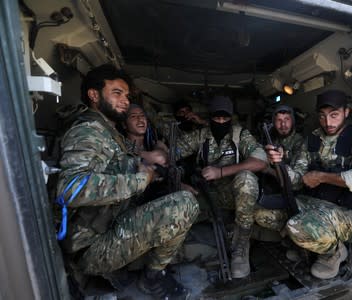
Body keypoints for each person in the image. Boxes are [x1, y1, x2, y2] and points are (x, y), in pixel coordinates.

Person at [56, 64, 199, 299]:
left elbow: (119, 164)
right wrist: (141, 180)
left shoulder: (108, 132)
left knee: (175, 196)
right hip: (91, 247)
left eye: (126, 95)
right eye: (117, 93)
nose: (124, 100)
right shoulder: (88, 131)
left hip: (111, 223)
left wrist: (145, 168)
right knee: (185, 205)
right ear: (94, 95)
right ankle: (152, 277)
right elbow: (70, 189)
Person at [264, 90, 352, 279]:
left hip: (341, 212)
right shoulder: (313, 139)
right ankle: (304, 244)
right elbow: (297, 179)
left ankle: (334, 252)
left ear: (346, 113)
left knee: (296, 226)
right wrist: (279, 164)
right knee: (264, 213)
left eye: (334, 115)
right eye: (322, 117)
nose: (328, 123)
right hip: (310, 202)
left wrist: (323, 177)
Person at [175, 95, 267, 279]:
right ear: (210, 118)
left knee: (246, 179)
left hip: (235, 195)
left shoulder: (240, 135)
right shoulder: (201, 136)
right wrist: (181, 182)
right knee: (176, 207)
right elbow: (172, 152)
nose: (221, 122)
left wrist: (221, 172)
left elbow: (261, 161)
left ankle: (241, 245)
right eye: (217, 118)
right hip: (206, 194)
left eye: (225, 118)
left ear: (231, 118)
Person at [255, 104, 304, 230]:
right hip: (273, 188)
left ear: (292, 121)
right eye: (279, 121)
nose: (283, 125)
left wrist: (271, 167)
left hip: (293, 193)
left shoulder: (301, 142)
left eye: (287, 119)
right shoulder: (270, 140)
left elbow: (297, 179)